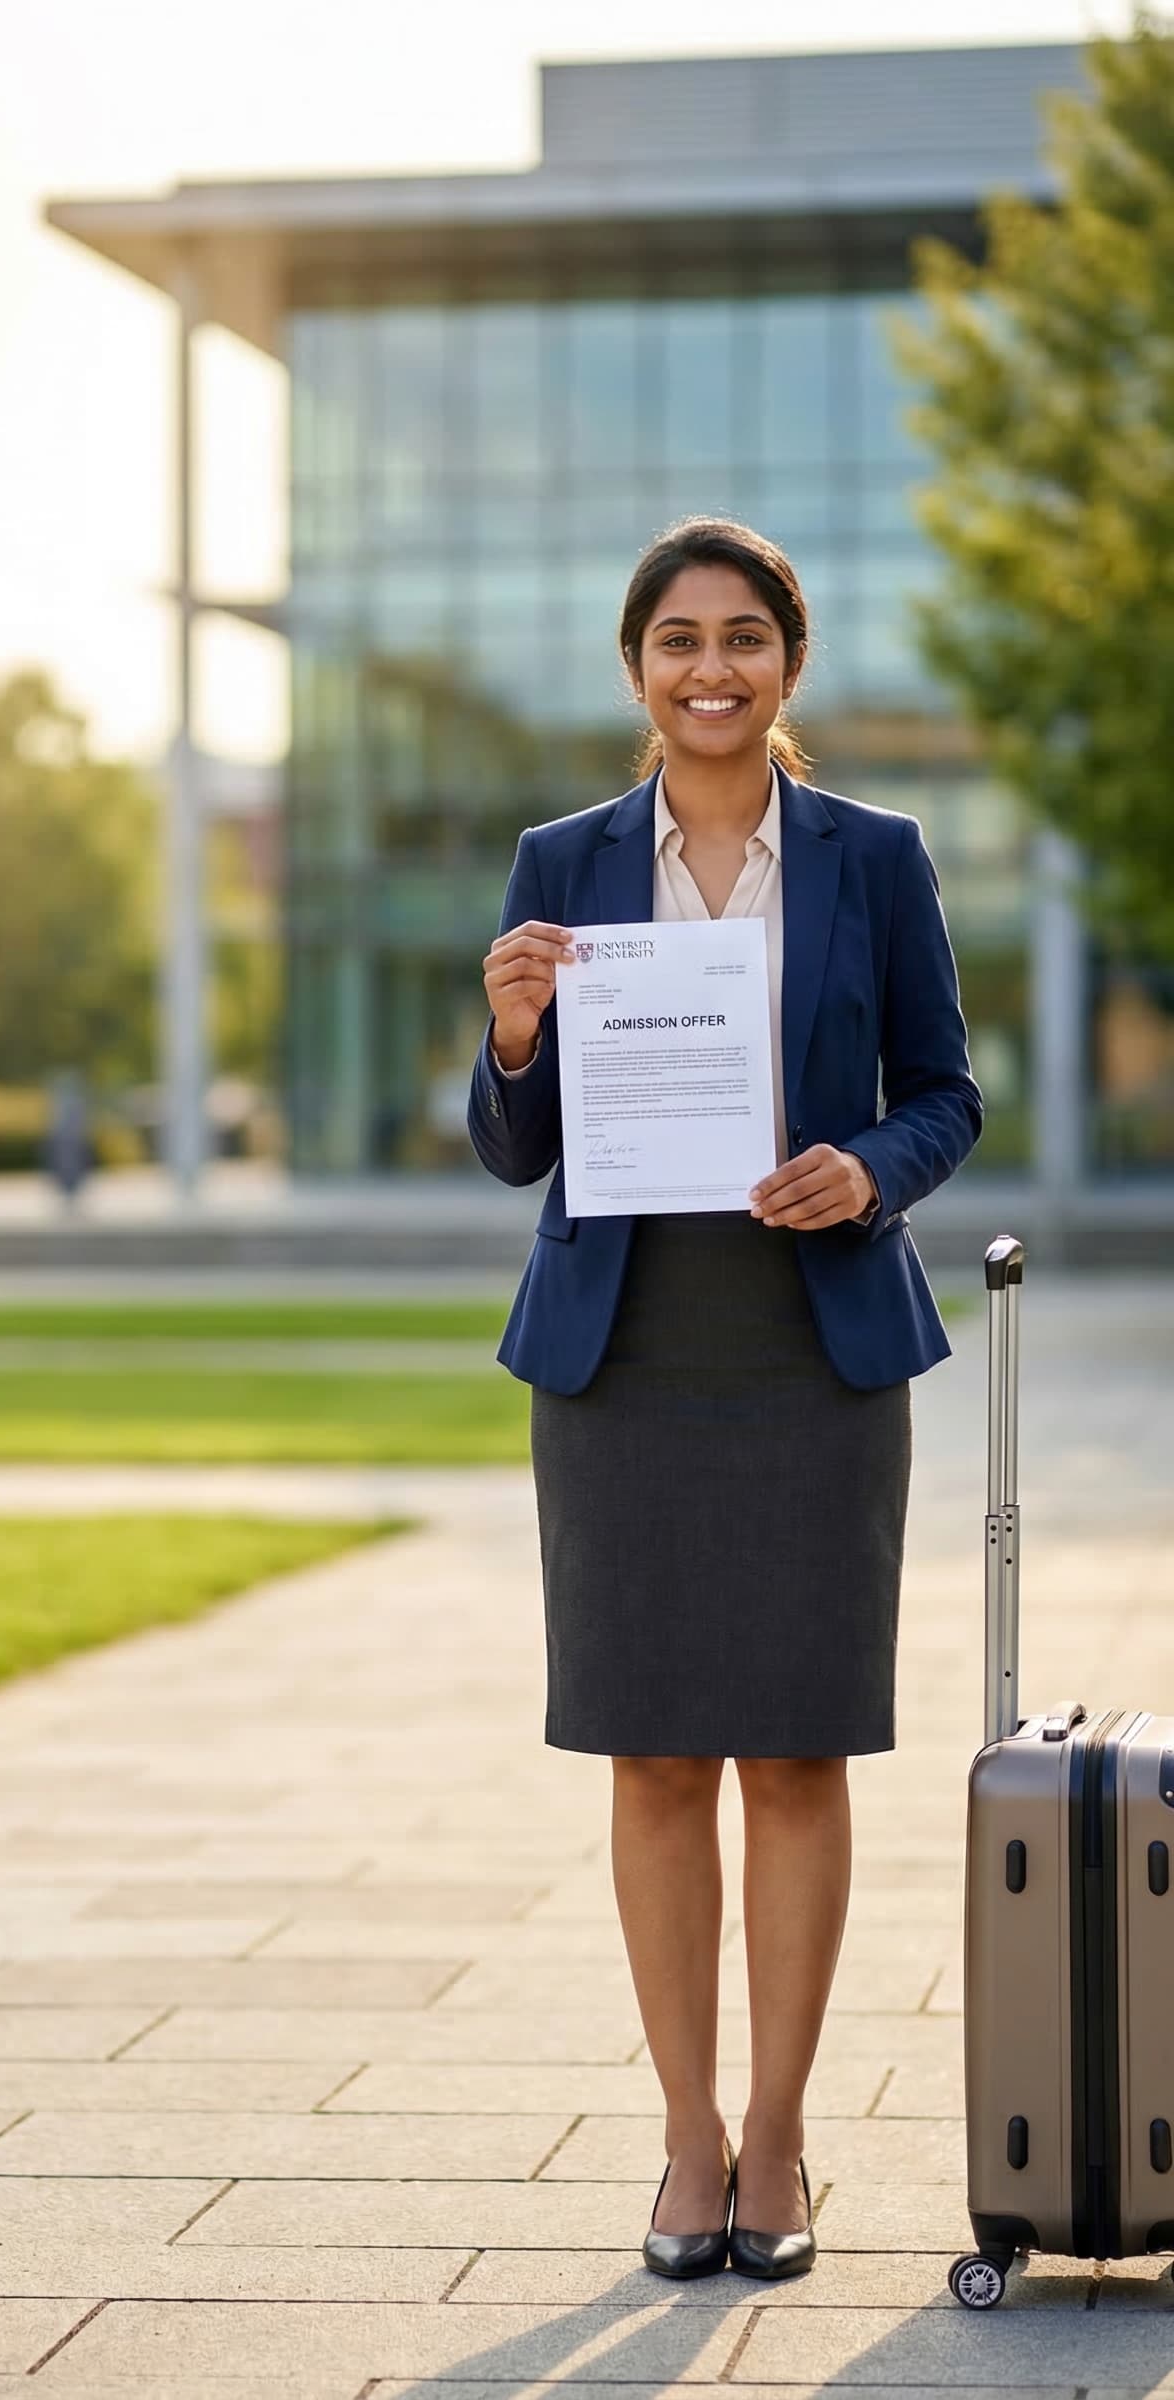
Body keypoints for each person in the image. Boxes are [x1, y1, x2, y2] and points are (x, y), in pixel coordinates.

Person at [466, 518, 982, 2284]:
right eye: (677, 639)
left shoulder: (876, 856)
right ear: (635, 671)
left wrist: (872, 1170)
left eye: (744, 637)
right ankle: (686, 2141)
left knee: (799, 1744)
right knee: (658, 1747)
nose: (711, 667)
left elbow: (948, 1094)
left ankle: (781, 2139)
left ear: (790, 664)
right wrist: (516, 1039)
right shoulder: (563, 861)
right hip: (626, 1362)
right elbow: (512, 1149)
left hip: (812, 1350)